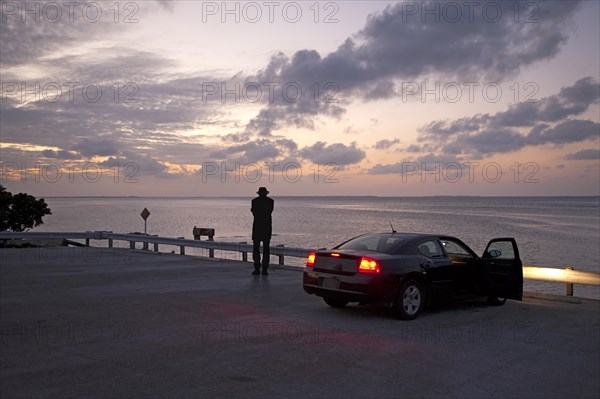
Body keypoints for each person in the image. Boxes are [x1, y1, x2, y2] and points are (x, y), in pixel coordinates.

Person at [251, 187, 274, 276]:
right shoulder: (270, 201)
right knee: (266, 248)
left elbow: (254, 213)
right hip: (267, 227)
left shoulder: (254, 201)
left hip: (257, 226)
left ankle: (257, 268)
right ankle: (264, 269)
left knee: (256, 247)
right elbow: (269, 212)